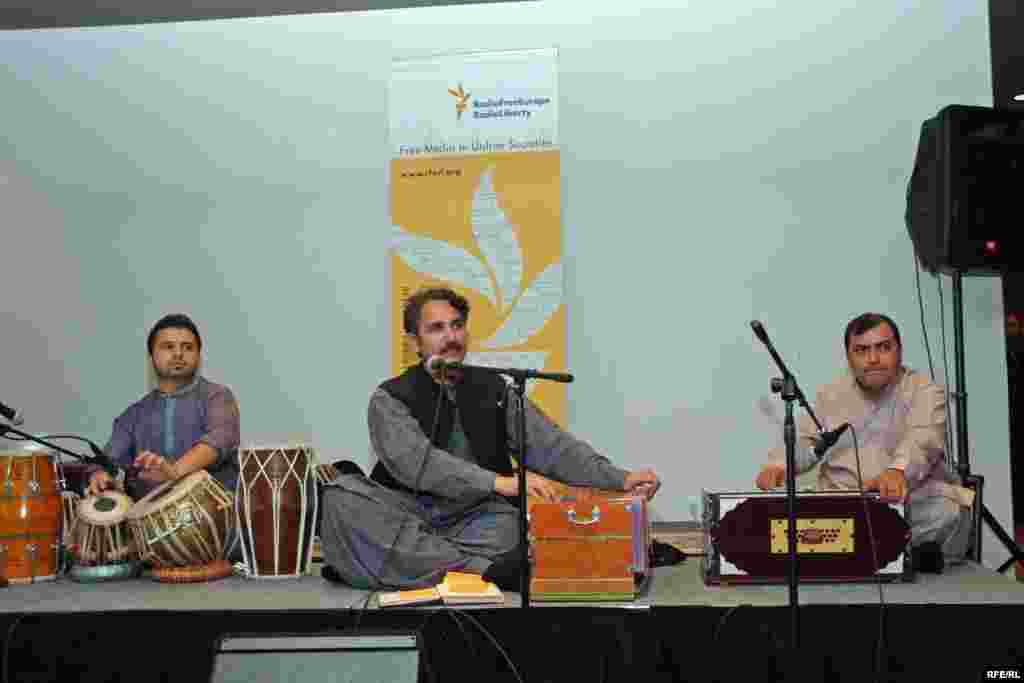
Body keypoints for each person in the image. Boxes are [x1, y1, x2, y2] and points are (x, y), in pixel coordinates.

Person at [319, 287, 661, 590]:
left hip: (475, 520)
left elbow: (553, 447)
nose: (450, 336)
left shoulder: (494, 389)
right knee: (341, 500)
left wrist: (622, 478)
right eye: (436, 328)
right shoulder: (388, 398)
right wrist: (501, 483)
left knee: (515, 527)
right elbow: (418, 465)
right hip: (406, 512)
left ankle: (404, 563)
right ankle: (482, 570)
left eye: (456, 325)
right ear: (414, 341)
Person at [755, 313, 974, 568]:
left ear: (899, 351)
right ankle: (878, 551)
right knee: (783, 520)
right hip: (844, 508)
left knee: (947, 512)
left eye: (883, 348)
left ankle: (852, 550)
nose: (873, 359)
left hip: (904, 506)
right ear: (849, 358)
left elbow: (923, 439)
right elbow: (807, 442)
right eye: (862, 350)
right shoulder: (832, 394)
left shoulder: (924, 391)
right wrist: (780, 465)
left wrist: (897, 471)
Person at [86, 314, 240, 501]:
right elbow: (107, 459)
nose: (178, 354)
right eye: (168, 347)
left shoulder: (217, 397)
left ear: (198, 356)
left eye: (188, 347)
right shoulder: (135, 414)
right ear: (151, 356)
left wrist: (173, 472)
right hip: (149, 525)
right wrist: (99, 474)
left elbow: (216, 442)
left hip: (213, 518)